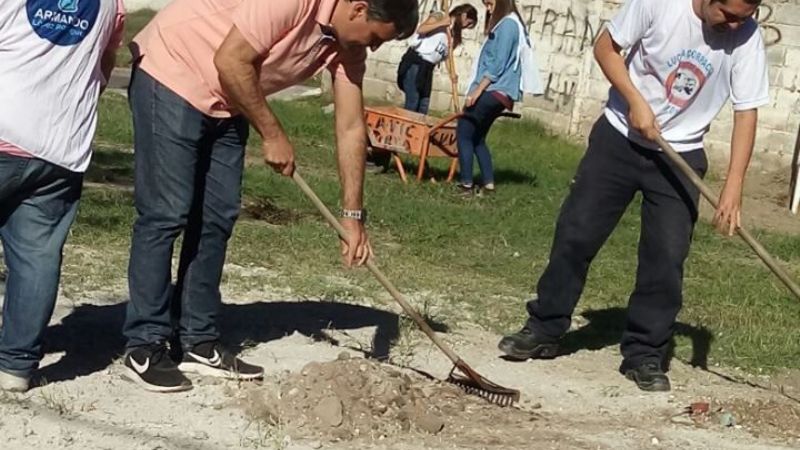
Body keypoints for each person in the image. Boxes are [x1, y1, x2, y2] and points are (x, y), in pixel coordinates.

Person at [122, 0, 418, 392]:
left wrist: (352, 216)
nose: (374, 49)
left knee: (218, 216)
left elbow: (350, 127)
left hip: (229, 99)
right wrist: (273, 133)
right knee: (167, 212)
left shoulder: (349, 47)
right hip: (175, 71)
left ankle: (198, 340)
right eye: (377, 38)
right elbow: (230, 60)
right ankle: (145, 344)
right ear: (359, 9)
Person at [498, 0, 768, 392]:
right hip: (620, 137)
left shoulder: (747, 35)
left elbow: (748, 111)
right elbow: (605, 47)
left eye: (745, 17)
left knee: (666, 257)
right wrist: (635, 100)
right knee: (577, 235)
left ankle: (645, 354)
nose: (735, 24)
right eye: (728, 14)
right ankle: (544, 328)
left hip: (681, 156)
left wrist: (734, 186)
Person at [0, 0, 125, 392]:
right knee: (36, 257)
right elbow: (103, 68)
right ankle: (15, 366)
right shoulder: (112, 4)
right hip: (61, 146)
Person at [456, 0, 538, 196]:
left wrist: (476, 93)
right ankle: (488, 184)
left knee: (464, 133)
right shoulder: (509, 24)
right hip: (499, 93)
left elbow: (497, 65)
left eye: (491, 4)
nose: (488, 9)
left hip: (495, 90)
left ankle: (466, 185)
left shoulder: (508, 25)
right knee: (478, 138)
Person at [397, 4, 478, 114]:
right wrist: (441, 23)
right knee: (413, 102)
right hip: (416, 64)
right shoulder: (440, 16)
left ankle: (421, 130)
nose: (466, 27)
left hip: (428, 69)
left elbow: (447, 57)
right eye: (468, 23)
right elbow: (421, 29)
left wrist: (452, 74)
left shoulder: (453, 34)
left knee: (423, 105)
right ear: (464, 15)